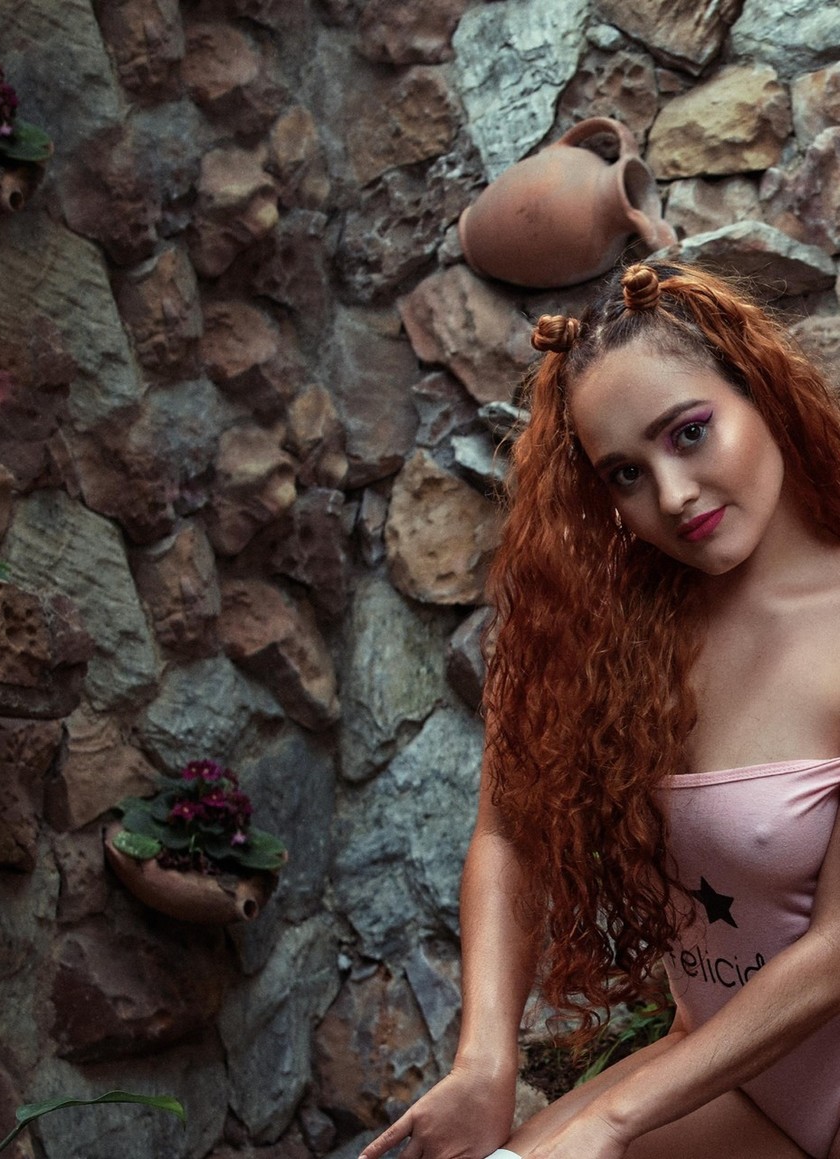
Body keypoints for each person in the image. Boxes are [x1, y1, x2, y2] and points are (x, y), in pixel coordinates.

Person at [360, 260, 840, 1159]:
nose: (673, 495)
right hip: (726, 1075)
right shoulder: (618, 632)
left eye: (690, 432)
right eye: (625, 473)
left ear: (763, 391)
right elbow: (510, 830)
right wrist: (484, 1061)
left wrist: (612, 1120)